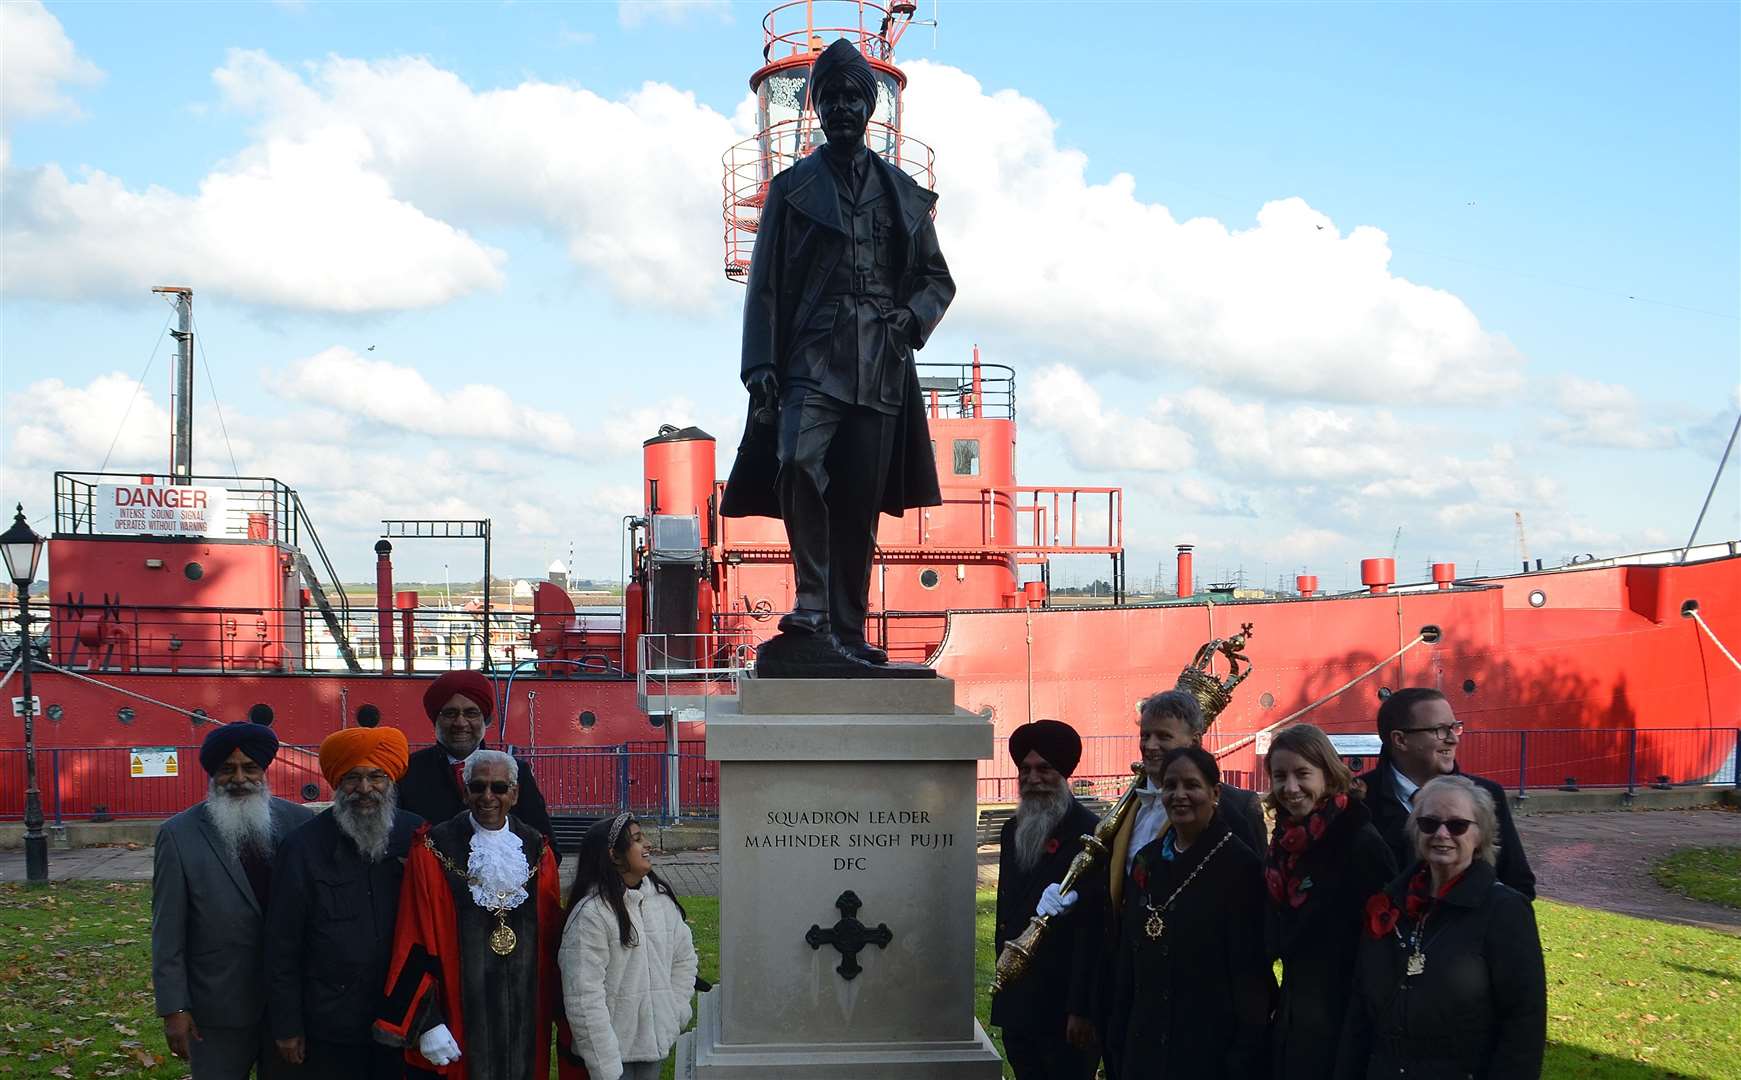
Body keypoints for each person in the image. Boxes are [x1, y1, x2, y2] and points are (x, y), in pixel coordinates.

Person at [720, 36, 956, 677]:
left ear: (872, 106)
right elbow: (765, 284)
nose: (845, 106)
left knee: (858, 497)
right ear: (818, 107)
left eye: (856, 95)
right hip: (811, 356)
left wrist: (913, 318)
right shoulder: (793, 190)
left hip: (881, 360)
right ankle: (812, 606)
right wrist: (760, 364)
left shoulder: (903, 194)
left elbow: (937, 279)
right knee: (796, 461)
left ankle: (847, 631)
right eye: (833, 97)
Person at [375, 750, 576, 1080]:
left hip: (527, 1016)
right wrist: (428, 1021)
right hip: (459, 1018)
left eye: (499, 787)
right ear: (464, 791)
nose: (488, 797)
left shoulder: (538, 852)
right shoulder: (432, 849)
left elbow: (552, 939)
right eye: (478, 787)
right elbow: (413, 936)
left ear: (515, 793)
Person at [1337, 774, 1546, 1079]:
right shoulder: (1388, 903)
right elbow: (1360, 1009)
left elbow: (1523, 1023)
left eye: (1457, 825)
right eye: (1429, 823)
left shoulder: (1504, 911)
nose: (1442, 834)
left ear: (1480, 835)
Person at [152, 719, 315, 1077]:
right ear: (212, 774)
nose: (239, 778)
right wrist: (174, 1009)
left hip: (289, 1007)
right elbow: (167, 933)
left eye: (250, 768)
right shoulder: (179, 835)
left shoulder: (301, 824)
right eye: (227, 769)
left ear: (265, 771)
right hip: (217, 1008)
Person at [265, 724, 421, 1078]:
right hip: (331, 1023)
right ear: (336, 783)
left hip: (404, 1017)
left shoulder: (417, 837)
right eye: (352, 778)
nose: (364, 789)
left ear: (391, 780)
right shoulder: (302, 848)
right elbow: (281, 945)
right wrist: (287, 1026)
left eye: (376, 776)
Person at [1108, 746, 1273, 1080]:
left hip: (1208, 1045)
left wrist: (1243, 1055)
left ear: (1214, 793)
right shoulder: (1148, 860)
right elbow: (1129, 953)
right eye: (1170, 786)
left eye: (1191, 785)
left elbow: (1250, 973)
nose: (1179, 795)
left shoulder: (1239, 866)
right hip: (1145, 1041)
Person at [1261, 723, 1395, 1080]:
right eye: (1280, 776)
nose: (1290, 788)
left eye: (1302, 773)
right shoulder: (1286, 843)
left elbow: (1381, 943)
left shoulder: (1358, 841)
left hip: (1343, 1019)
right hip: (1295, 1014)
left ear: (1327, 773)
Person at [990, 720, 1101, 1080]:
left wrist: (1081, 1008)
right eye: (1025, 769)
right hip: (1019, 1001)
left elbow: (1094, 930)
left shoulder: (1090, 834)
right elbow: (1007, 913)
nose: (1033, 778)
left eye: (1044, 768)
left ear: (1064, 773)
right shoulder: (1012, 831)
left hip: (1063, 1004)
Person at [1357, 688, 1534, 898]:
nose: (1453, 739)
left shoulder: (1487, 795)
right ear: (1400, 740)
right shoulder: (1358, 802)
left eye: (1454, 727)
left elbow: (1517, 883)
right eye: (1440, 730)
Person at [559, 813, 698, 1080]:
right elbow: (583, 997)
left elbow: (684, 960)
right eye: (637, 839)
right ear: (614, 855)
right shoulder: (592, 915)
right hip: (611, 1059)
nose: (647, 844)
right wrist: (606, 1065)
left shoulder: (661, 901)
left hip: (652, 1051)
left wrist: (675, 1012)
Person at [397, 670, 558, 855]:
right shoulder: (408, 772)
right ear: (436, 720)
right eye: (450, 713)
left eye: (471, 713)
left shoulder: (517, 771)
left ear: (485, 719)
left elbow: (547, 848)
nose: (460, 723)